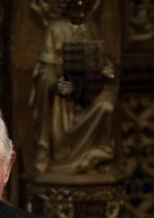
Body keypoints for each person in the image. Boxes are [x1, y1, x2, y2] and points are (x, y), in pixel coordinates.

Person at [30, 0, 116, 175]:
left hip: (91, 93)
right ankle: (62, 158)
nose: (79, 8)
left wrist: (107, 70)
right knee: (59, 104)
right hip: (65, 98)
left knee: (108, 105)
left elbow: (101, 60)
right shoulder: (55, 29)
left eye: (84, 4)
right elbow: (44, 71)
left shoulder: (91, 26)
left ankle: (98, 154)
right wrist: (56, 84)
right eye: (75, 4)